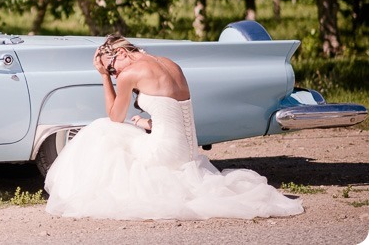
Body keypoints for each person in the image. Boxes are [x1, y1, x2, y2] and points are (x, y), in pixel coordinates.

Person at [44, 34, 304, 220]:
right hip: (188, 150)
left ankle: (80, 192)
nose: (114, 74)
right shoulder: (169, 63)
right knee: (125, 134)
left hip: (166, 152)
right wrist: (147, 123)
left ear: (121, 53)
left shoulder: (129, 74)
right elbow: (173, 112)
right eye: (110, 72)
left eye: (111, 68)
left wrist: (102, 77)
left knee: (101, 130)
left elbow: (114, 116)